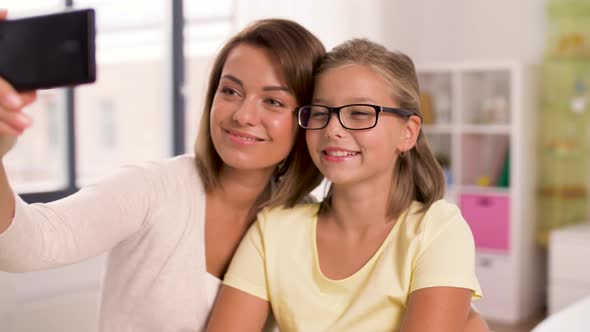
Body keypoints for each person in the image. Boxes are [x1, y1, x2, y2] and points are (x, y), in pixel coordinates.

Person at [0, 9, 325, 331]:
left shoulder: (304, 220)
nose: (243, 115)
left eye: (273, 102)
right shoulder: (152, 188)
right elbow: (24, 247)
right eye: (230, 91)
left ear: (308, 119)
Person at [207, 38, 485, 332]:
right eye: (320, 113)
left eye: (360, 113)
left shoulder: (436, 230)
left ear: (408, 132)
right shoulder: (272, 231)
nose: (333, 129)